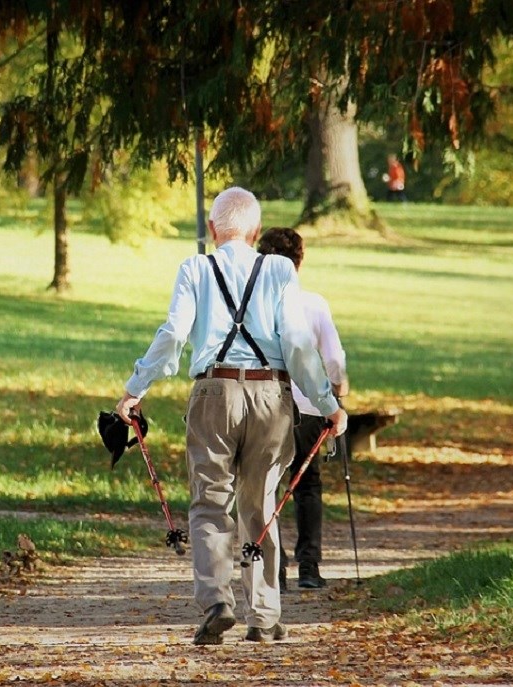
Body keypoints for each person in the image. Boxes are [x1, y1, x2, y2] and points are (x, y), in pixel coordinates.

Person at [115, 187, 348, 646]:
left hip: (213, 392)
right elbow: (299, 346)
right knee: (261, 504)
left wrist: (134, 390)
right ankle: (264, 616)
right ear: (256, 232)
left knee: (209, 501)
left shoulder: (195, 268)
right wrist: (328, 404)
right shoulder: (280, 270)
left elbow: (173, 334)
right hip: (270, 394)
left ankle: (217, 602)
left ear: (212, 230)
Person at [257, 227, 348, 591]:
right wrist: (338, 392)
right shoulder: (313, 303)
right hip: (310, 405)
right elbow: (333, 358)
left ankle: (273, 569)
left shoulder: (257, 305)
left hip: (267, 403)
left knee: (268, 485)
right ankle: (309, 566)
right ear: (300, 260)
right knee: (308, 484)